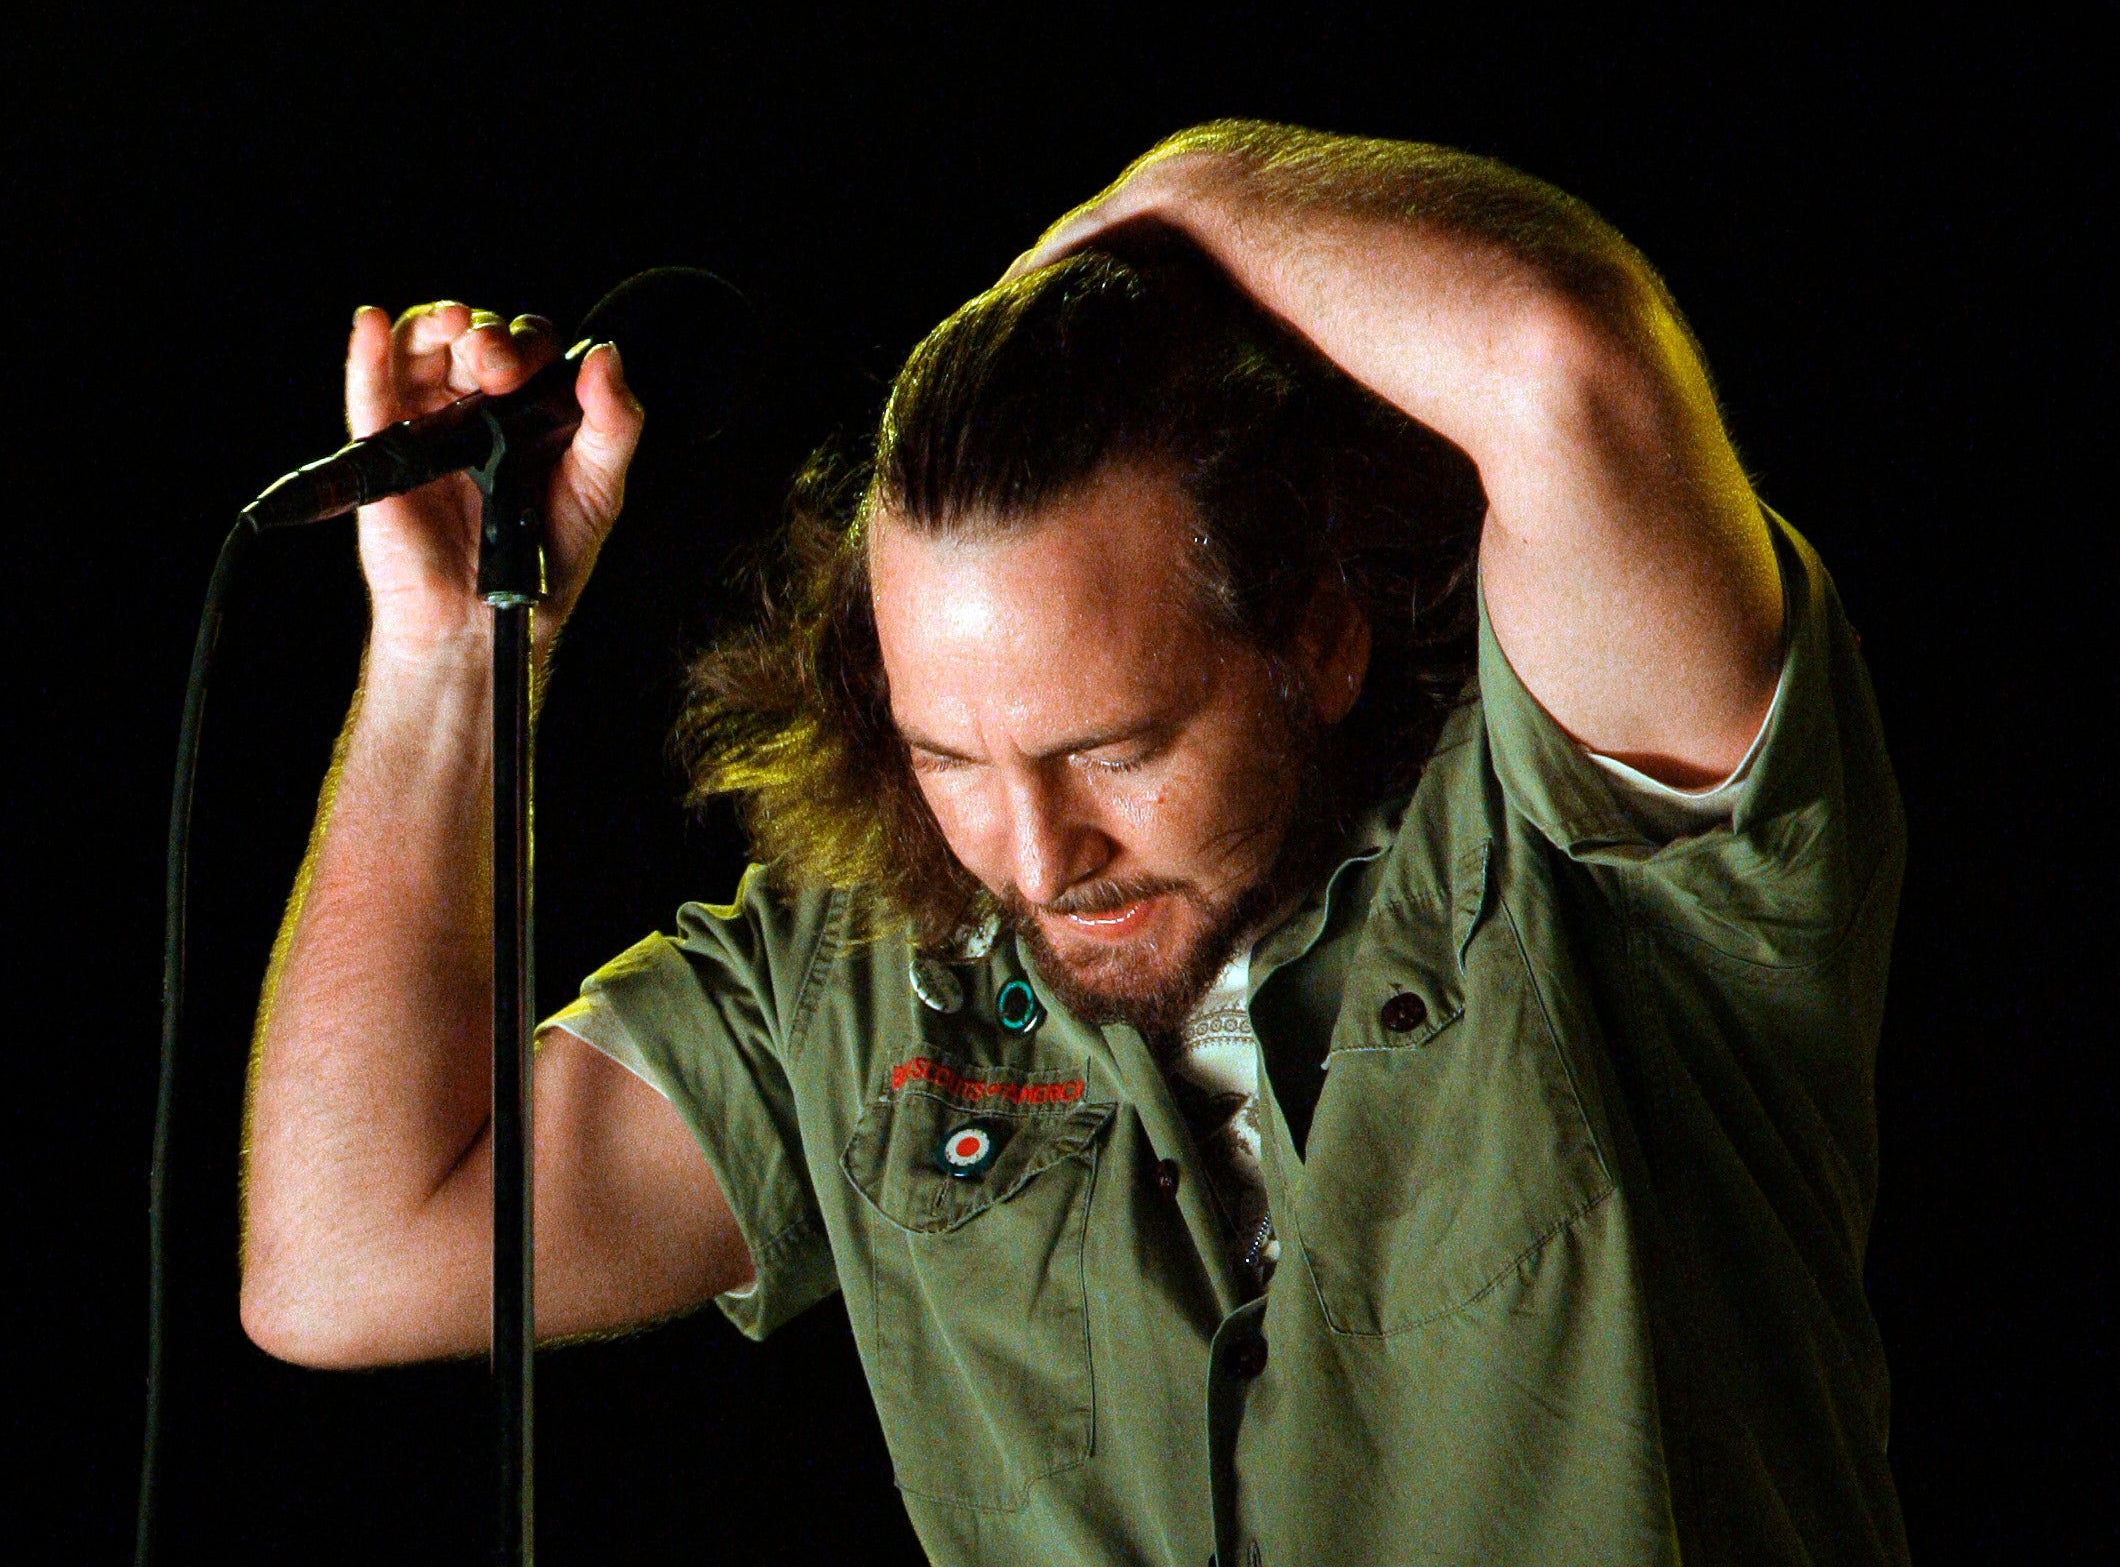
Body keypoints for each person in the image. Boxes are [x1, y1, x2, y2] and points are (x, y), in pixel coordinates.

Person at [239, 121, 1909, 1565]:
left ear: (1316, 640)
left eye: (1116, 751)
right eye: (946, 757)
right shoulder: (865, 983)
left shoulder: (1605, 855)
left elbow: (1566, 357)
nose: (1032, 859)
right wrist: (456, 657)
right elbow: (344, 1252)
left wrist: (1174, 201)